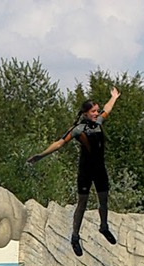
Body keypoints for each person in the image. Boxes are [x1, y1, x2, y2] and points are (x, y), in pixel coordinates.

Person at [27, 87, 121, 256]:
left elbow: (107, 109)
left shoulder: (99, 122)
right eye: (93, 111)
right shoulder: (78, 129)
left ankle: (104, 226)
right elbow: (59, 143)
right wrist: (40, 156)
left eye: (97, 110)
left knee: (104, 201)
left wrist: (113, 97)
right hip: (85, 171)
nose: (96, 113)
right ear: (85, 113)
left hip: (100, 169)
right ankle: (75, 236)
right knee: (82, 204)